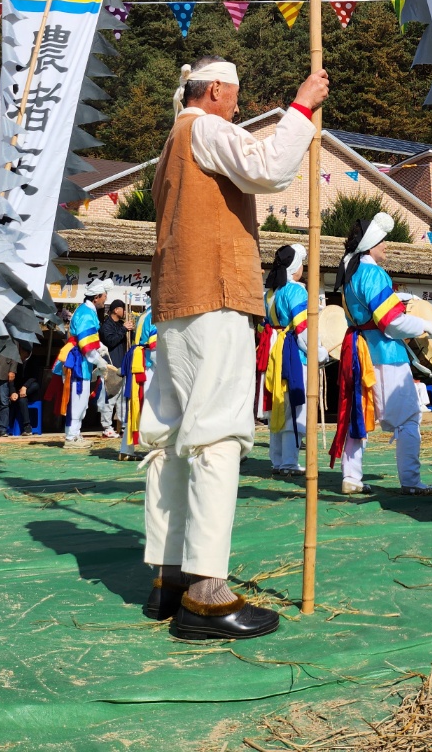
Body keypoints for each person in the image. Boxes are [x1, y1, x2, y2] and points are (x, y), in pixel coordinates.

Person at [139, 55, 326, 640]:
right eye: (237, 96)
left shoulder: (176, 138)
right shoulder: (206, 128)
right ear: (215, 89)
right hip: (214, 295)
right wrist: (301, 107)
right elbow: (268, 167)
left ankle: (168, 577)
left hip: (174, 302)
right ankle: (206, 594)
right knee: (217, 436)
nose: (240, 108)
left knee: (171, 439)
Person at [329, 211, 432, 496]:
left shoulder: (352, 273)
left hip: (358, 351)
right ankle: (412, 482)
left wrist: (400, 299)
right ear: (372, 243)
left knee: (358, 414)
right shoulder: (373, 272)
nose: (386, 247)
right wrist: (424, 326)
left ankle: (351, 477)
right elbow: (391, 322)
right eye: (383, 242)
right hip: (386, 353)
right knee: (407, 419)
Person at [263, 243, 328, 477]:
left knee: (277, 405)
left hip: (273, 350)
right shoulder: (297, 291)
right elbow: (302, 329)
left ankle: (278, 460)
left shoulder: (270, 293)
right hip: (292, 351)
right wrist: (318, 352)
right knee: (294, 405)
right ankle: (290, 462)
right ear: (294, 267)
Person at [52, 284, 110, 447]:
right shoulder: (86, 312)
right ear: (96, 297)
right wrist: (99, 360)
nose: (106, 299)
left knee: (82, 400)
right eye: (104, 296)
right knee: (78, 399)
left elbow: (89, 340)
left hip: (81, 359)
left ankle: (75, 434)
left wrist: (99, 346)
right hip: (79, 359)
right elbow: (85, 344)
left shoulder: (86, 310)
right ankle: (71, 437)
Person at [119, 306, 156, 460]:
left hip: (140, 361)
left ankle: (126, 450)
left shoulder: (145, 313)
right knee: (152, 406)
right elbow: (155, 347)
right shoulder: (156, 313)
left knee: (135, 405)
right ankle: (153, 449)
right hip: (147, 363)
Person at [98, 300, 130, 439]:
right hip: (111, 366)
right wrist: (124, 330)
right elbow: (110, 341)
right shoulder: (106, 325)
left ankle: (123, 426)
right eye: (123, 309)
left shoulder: (119, 325)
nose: (125, 312)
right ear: (116, 310)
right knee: (110, 397)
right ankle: (107, 427)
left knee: (123, 398)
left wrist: (128, 331)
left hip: (122, 366)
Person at [7, 345, 40, 434]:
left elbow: (35, 377)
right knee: (21, 400)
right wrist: (13, 392)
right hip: (19, 392)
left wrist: (25, 387)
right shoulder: (16, 361)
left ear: (25, 352)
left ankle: (19, 394)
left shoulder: (34, 359)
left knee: (35, 385)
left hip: (30, 389)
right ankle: (27, 427)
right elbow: (12, 378)